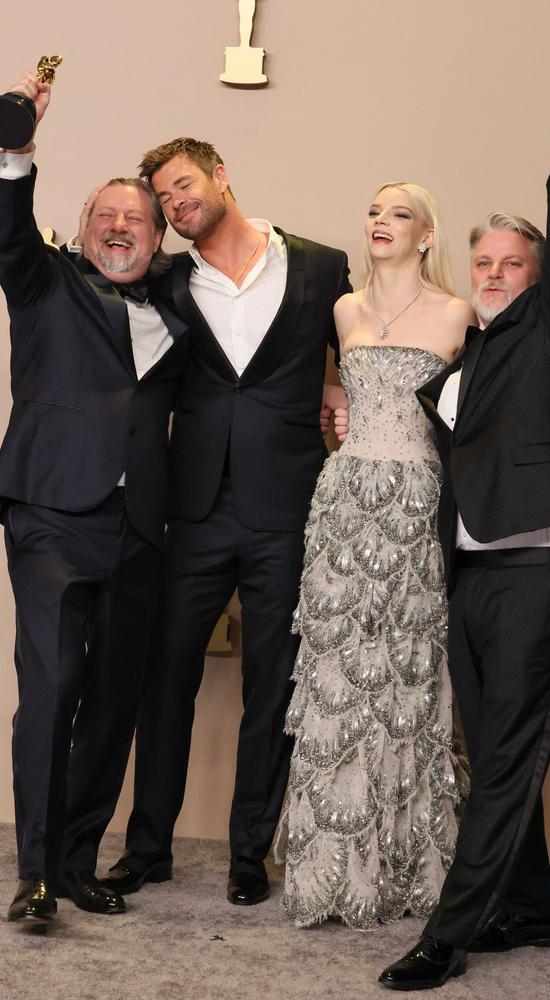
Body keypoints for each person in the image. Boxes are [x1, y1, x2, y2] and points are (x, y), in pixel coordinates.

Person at [380, 82, 550, 990]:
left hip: (538, 560)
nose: (496, 273)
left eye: (512, 262)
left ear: (538, 273)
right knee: (497, 743)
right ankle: (533, 906)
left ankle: (451, 930)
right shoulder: (463, 359)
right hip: (470, 566)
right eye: (485, 262)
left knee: (507, 749)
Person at [102, 138, 351, 906]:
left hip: (287, 506)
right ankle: (149, 848)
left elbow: (363, 344)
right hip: (195, 507)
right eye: (166, 199)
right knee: (165, 677)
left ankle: (251, 852)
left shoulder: (322, 265)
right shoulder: (168, 279)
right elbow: (98, 274)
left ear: (221, 177)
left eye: (184, 187)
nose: (177, 206)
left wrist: (339, 383)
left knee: (270, 685)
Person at [0, 73, 188, 924]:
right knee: (52, 685)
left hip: (140, 525)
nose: (120, 229)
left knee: (116, 697)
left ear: (157, 236)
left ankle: (78, 859)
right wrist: (16, 150)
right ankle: (33, 871)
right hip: (49, 514)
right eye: (105, 217)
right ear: (81, 229)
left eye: (136, 219)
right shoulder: (43, 282)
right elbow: (7, 230)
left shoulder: (180, 309)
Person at [273, 181, 476, 928]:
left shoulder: (459, 313)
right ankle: (332, 873)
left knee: (407, 676)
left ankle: (405, 864)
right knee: (337, 675)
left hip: (417, 501)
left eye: (399, 213)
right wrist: (340, 413)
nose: (380, 222)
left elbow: (471, 415)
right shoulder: (343, 311)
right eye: (373, 211)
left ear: (427, 235)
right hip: (344, 501)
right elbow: (334, 394)